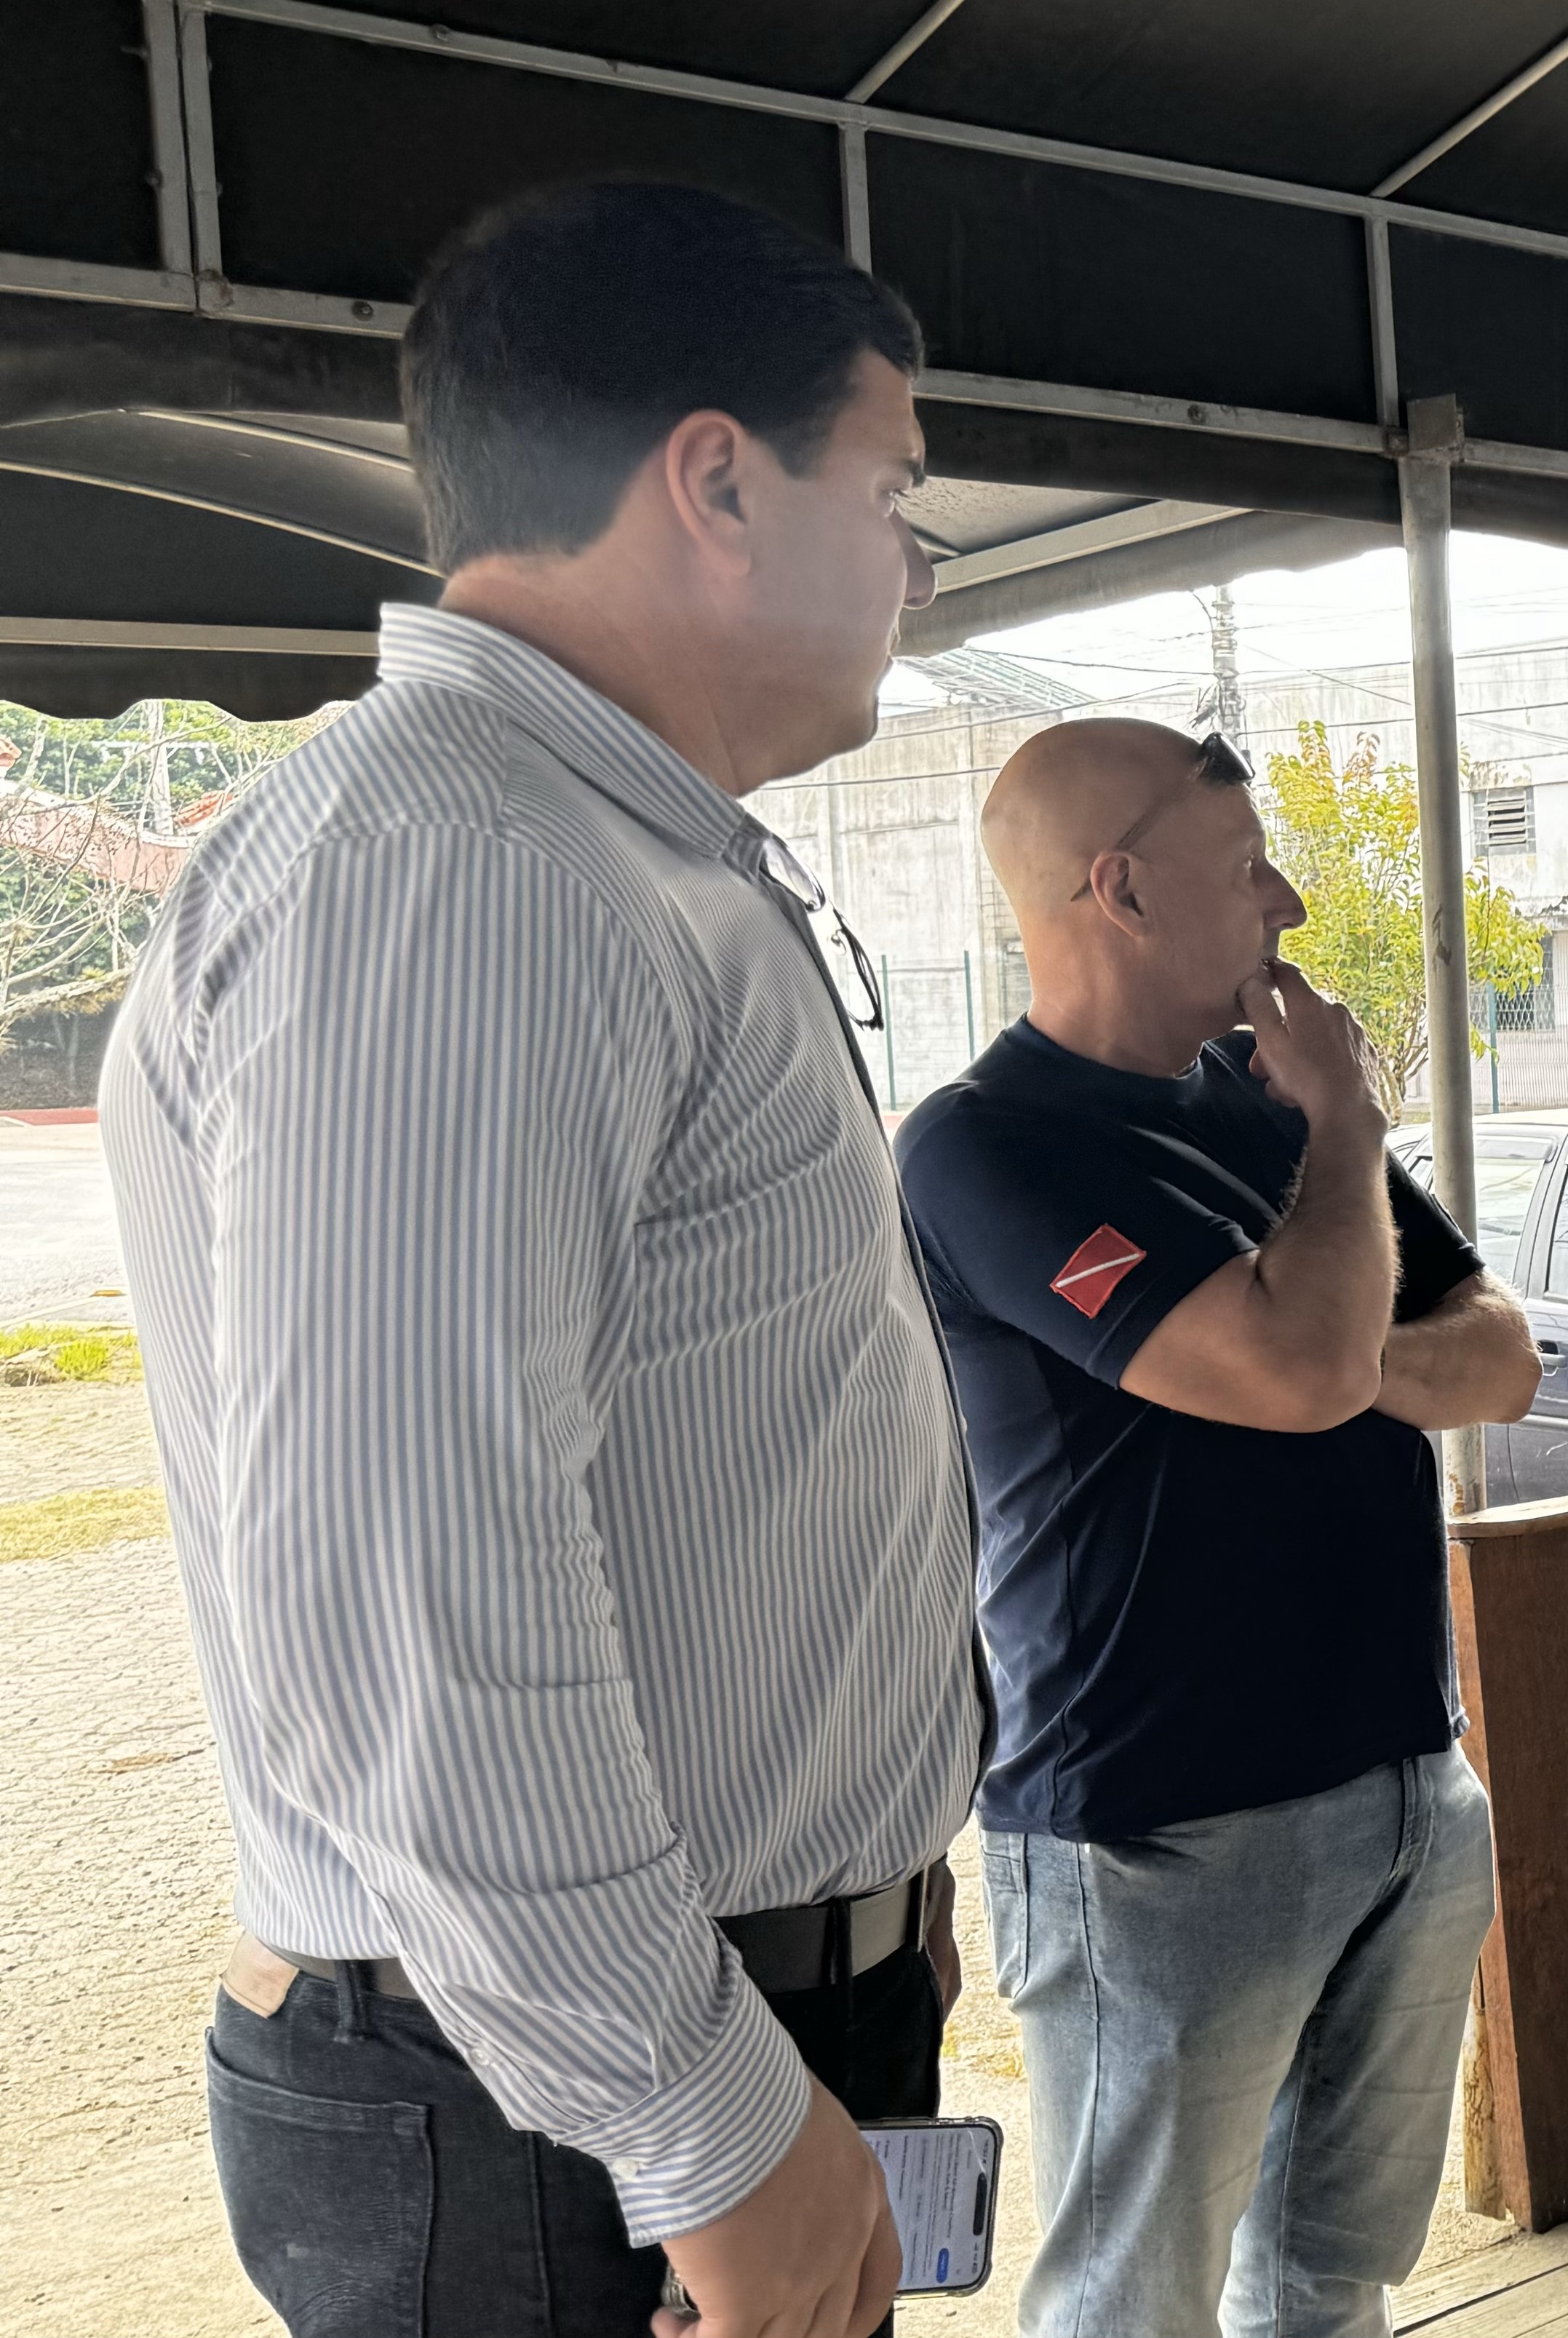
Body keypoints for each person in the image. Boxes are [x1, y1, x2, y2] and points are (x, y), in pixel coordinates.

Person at [105, 181, 965, 2338]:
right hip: (560, 2106)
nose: (918, 562)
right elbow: (410, 1568)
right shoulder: (459, 863)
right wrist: (690, 2108)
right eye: (895, 493)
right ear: (717, 481)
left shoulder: (575, 847)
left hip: (668, 2044)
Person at [891, 716, 1540, 2338]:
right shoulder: (984, 1145)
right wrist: (1331, 1196)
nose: (1291, 906)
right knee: (1141, 2306)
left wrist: (1321, 1353)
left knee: (1333, 2279)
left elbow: (1505, 1360)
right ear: (1118, 887)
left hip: (1404, 1780)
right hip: (1158, 1834)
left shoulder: (1275, 1107)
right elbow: (1297, 1359)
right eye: (1249, 865)